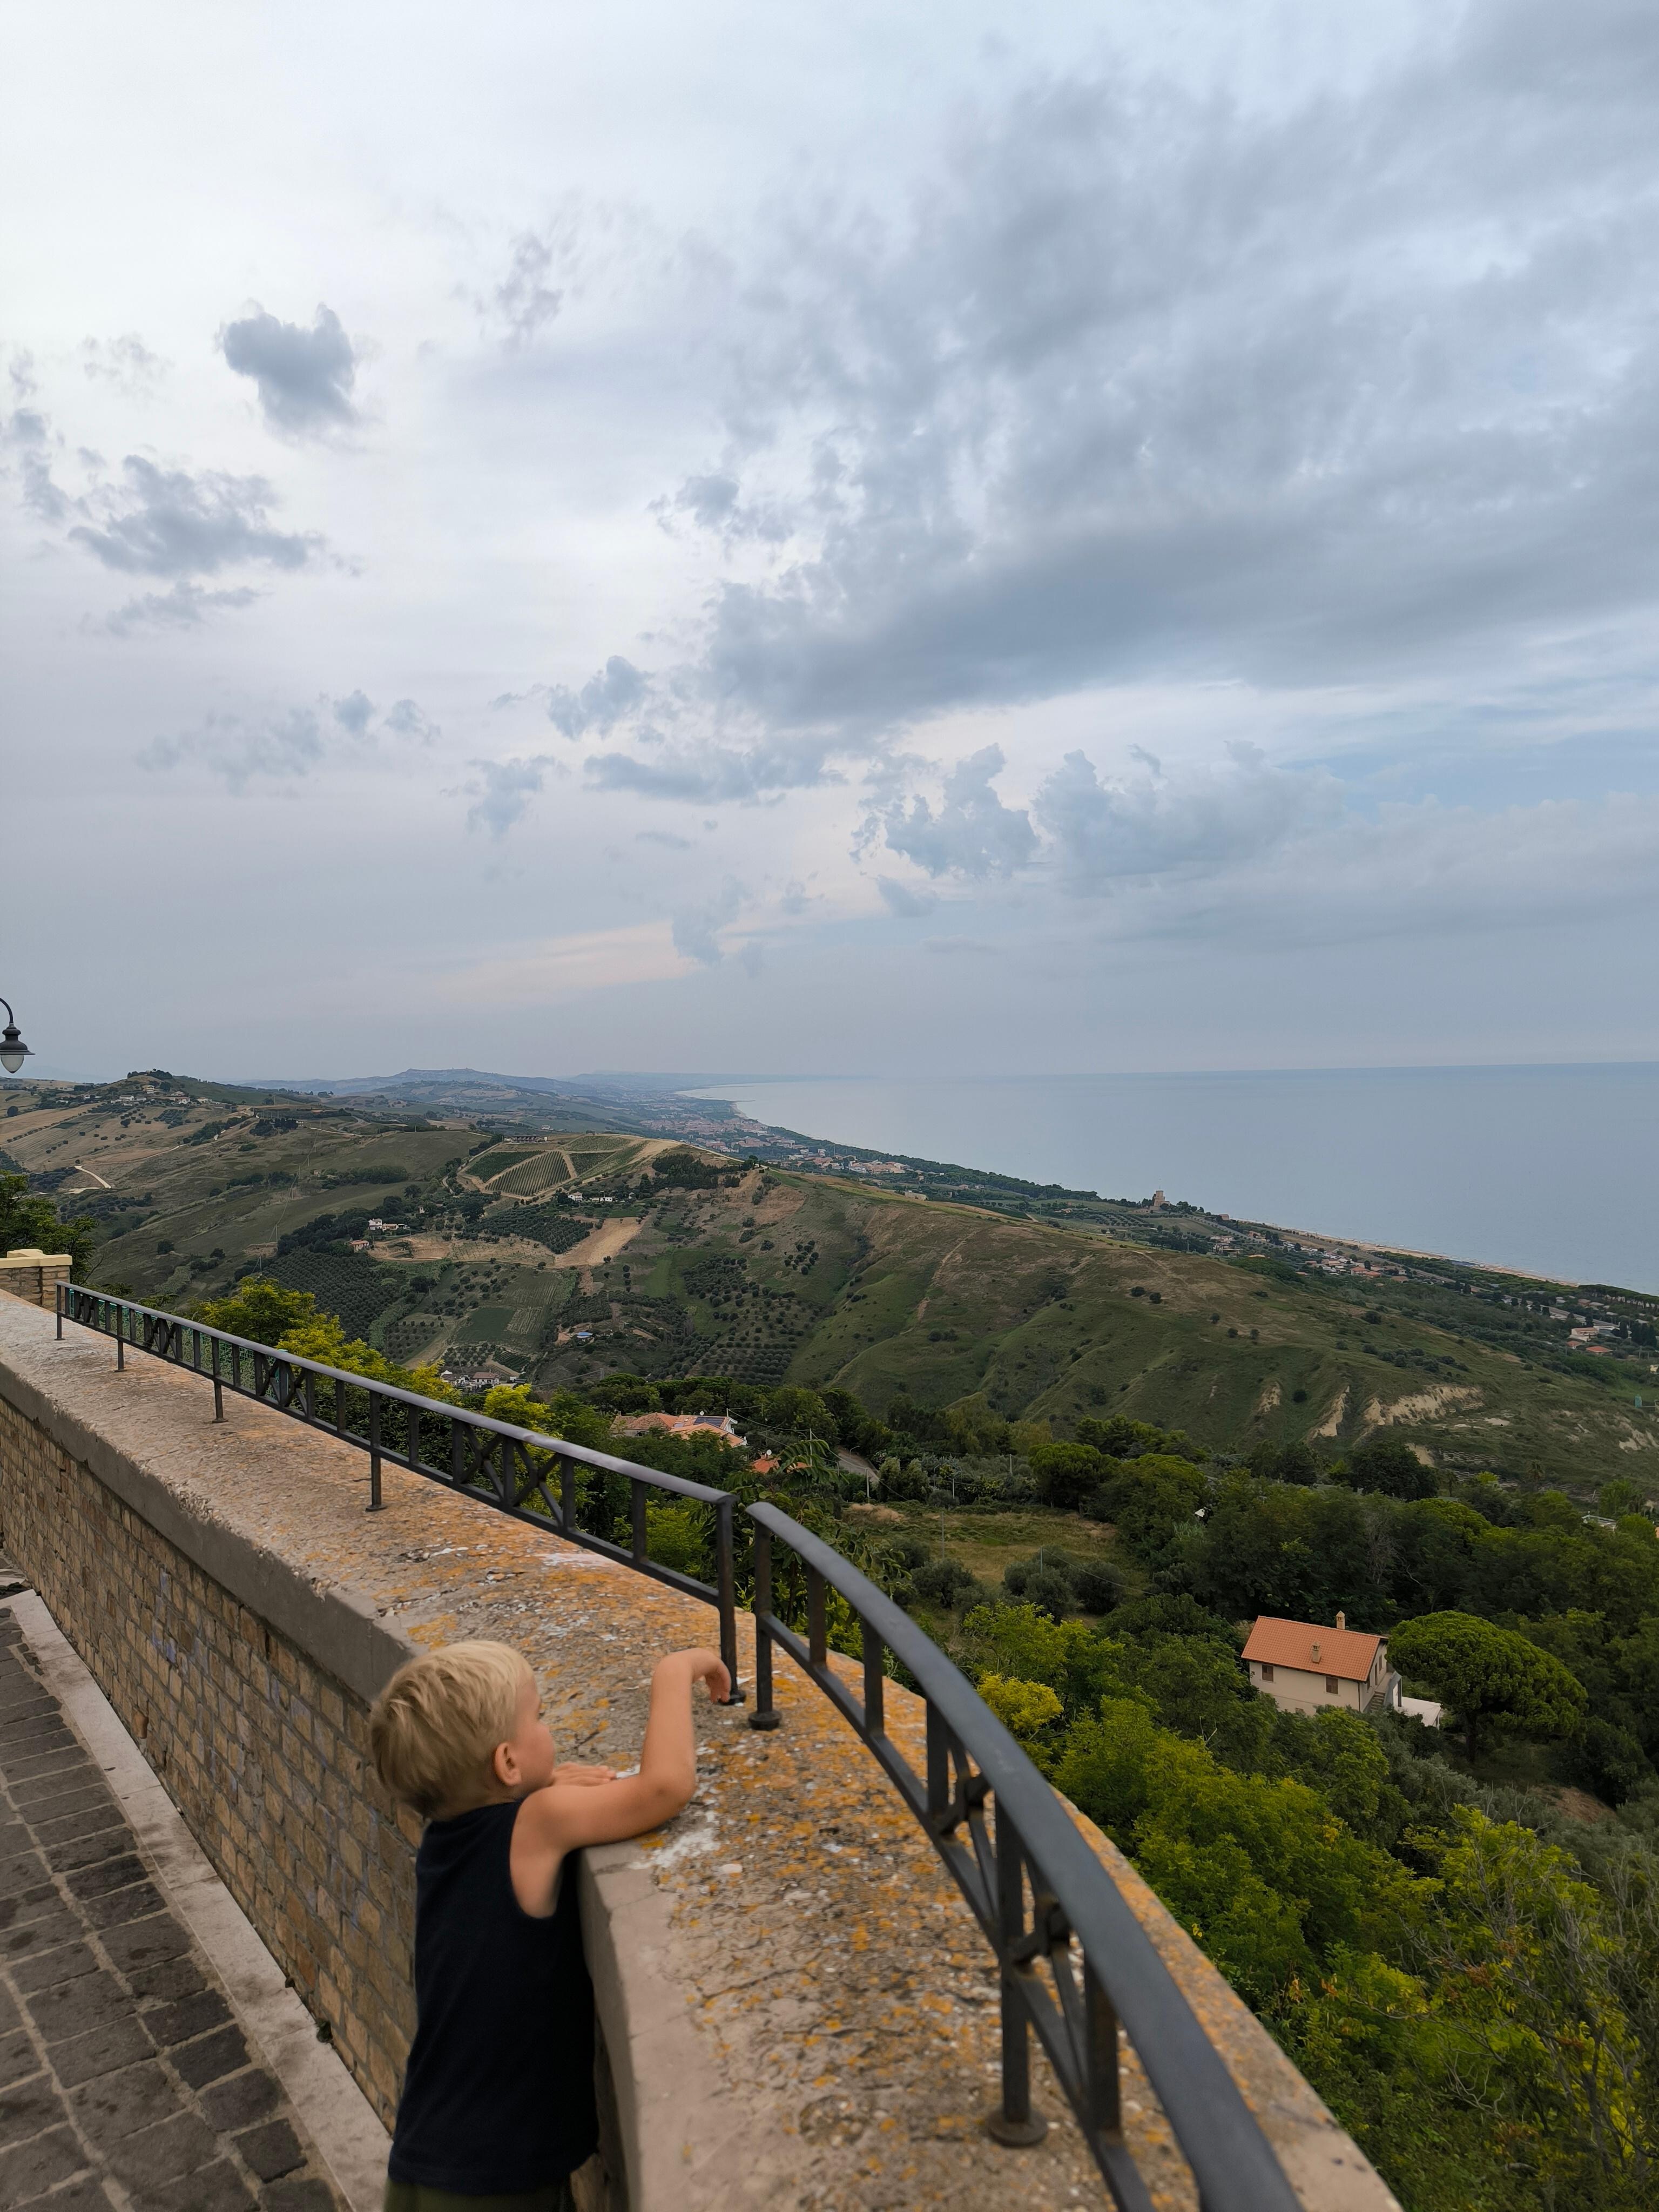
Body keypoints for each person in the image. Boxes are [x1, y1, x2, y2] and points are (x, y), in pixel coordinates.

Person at [370, 1638, 730, 2212]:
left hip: (425, 2154)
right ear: (508, 1764)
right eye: (539, 1716)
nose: (547, 1727)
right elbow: (666, 1786)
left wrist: (540, 1784)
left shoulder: (445, 1840)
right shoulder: (536, 1824)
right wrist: (675, 1668)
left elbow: (504, 1816)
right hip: (491, 2181)